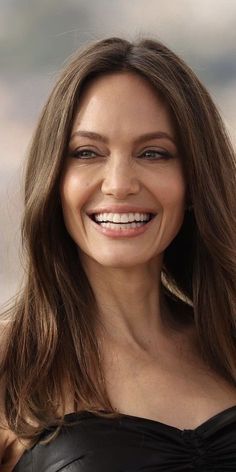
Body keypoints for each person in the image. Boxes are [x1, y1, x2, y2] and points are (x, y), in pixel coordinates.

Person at [0, 36, 236, 471]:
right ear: (54, 178)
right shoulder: (12, 364)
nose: (119, 183)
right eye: (87, 152)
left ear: (193, 182)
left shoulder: (227, 341)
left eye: (153, 153)